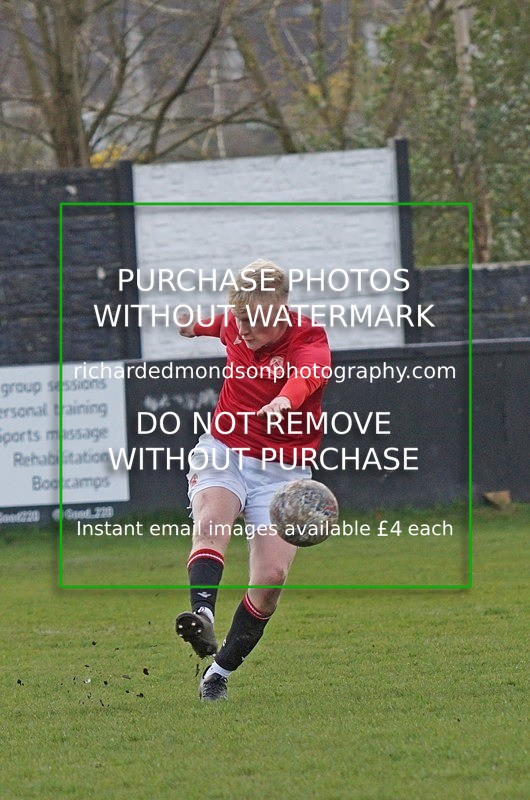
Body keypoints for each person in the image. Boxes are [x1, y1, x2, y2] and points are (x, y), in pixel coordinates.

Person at [175, 259, 331, 701]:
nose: (245, 329)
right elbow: (219, 323)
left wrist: (286, 400)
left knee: (271, 579)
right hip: (224, 449)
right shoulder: (237, 324)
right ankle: (201, 615)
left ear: (281, 311)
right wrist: (193, 328)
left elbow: (308, 375)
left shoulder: (310, 341)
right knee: (211, 522)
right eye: (241, 317)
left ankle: (217, 674)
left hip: (282, 471)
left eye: (255, 321)